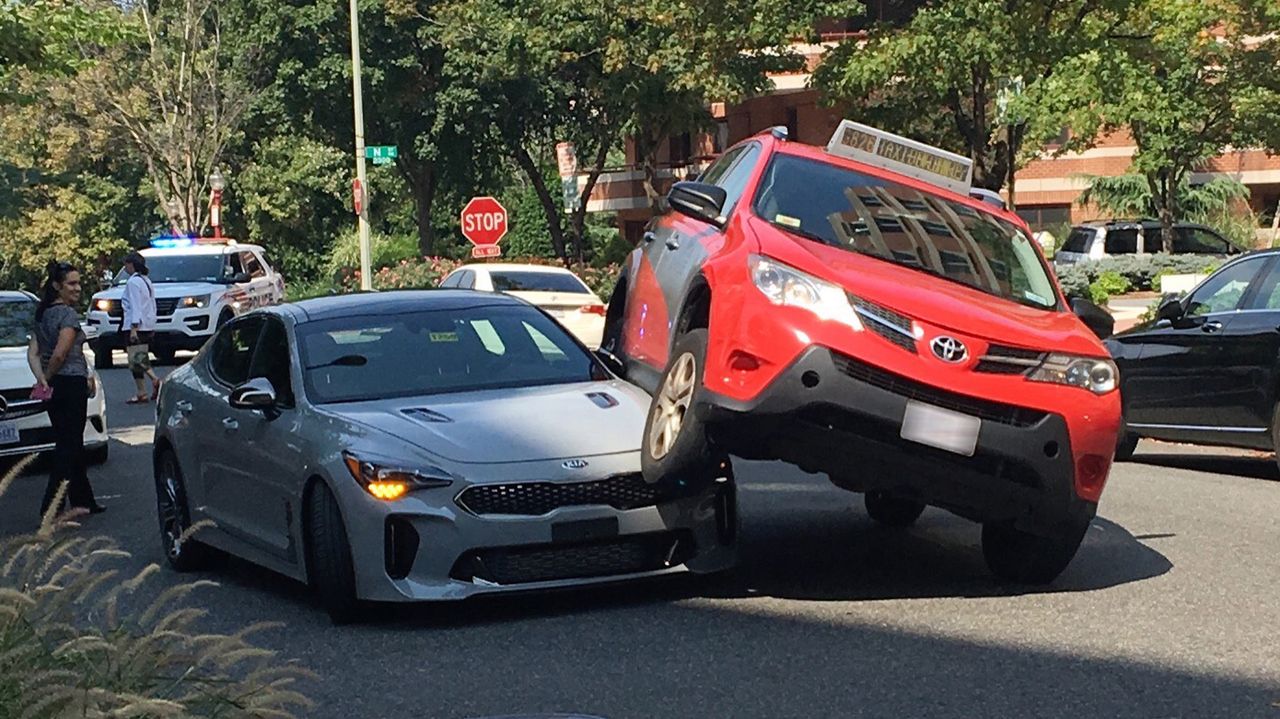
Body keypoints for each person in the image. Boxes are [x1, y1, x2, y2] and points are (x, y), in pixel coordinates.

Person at [28, 260, 105, 517]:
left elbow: (34, 353)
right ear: (57, 286)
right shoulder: (68, 316)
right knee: (68, 447)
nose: (78, 288)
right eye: (71, 284)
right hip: (70, 384)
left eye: (78, 282)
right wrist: (49, 376)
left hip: (54, 386)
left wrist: (42, 380)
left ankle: (84, 500)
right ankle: (51, 508)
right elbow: (60, 354)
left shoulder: (42, 315)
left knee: (70, 441)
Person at [121, 251, 161, 404]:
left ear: (131, 264)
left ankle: (155, 380)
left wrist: (133, 328)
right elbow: (150, 304)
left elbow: (135, 306)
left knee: (136, 358)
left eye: (126, 264)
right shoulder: (146, 281)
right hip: (147, 323)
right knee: (139, 357)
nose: (125, 268)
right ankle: (141, 392)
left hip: (135, 325)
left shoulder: (133, 282)